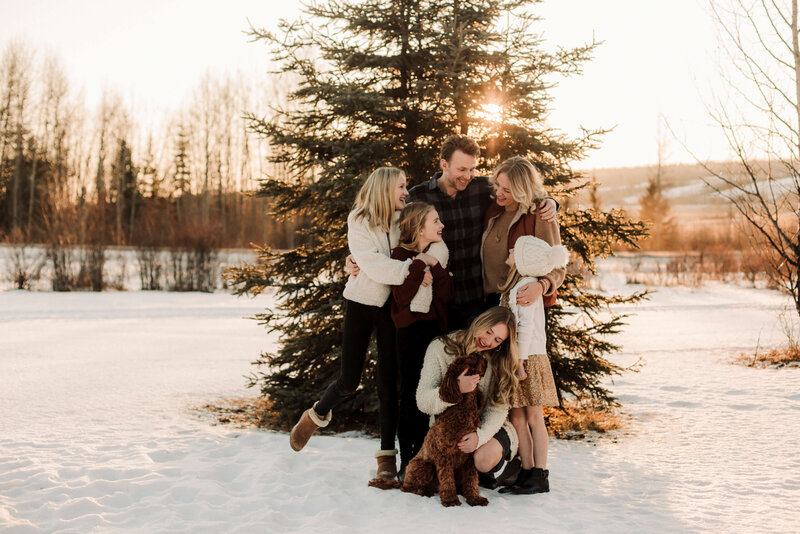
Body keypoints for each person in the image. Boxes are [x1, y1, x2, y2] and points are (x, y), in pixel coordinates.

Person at [289, 167, 434, 482]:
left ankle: (386, 458)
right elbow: (373, 263)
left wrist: (418, 263)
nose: (406, 192)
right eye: (401, 186)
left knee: (388, 382)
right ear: (384, 189)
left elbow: (419, 244)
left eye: (407, 186)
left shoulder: (403, 219)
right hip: (360, 303)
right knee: (349, 379)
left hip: (390, 308)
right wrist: (410, 271)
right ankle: (316, 414)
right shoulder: (359, 220)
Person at [349, 135, 559, 331]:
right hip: (437, 299)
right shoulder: (418, 197)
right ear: (444, 165)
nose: (467, 176)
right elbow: (387, 227)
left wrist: (550, 202)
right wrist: (354, 256)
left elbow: (519, 188)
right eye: (461, 169)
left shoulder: (483, 190)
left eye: (472, 169)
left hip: (478, 301)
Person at [497, 236, 569, 495]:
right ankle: (526, 471)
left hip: (528, 358)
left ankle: (539, 473)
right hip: (517, 357)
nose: (510, 249)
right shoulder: (514, 285)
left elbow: (525, 328)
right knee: (517, 417)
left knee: (533, 417)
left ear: (526, 260)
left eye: (516, 249)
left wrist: (520, 362)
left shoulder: (526, 286)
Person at [415, 306, 520, 483]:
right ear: (480, 322)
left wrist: (479, 437)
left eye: (497, 339)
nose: (488, 342)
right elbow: (423, 401)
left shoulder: (498, 359)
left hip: (489, 428)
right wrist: (454, 389)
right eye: (488, 332)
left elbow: (498, 410)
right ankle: (484, 475)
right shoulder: (440, 348)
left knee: (482, 460)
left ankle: (509, 470)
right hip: (449, 431)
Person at [389, 201, 454, 479]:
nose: (441, 225)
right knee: (410, 397)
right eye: (436, 221)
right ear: (419, 227)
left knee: (430, 395)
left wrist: (433, 265)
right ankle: (407, 462)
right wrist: (417, 267)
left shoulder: (433, 254)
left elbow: (447, 293)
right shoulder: (399, 255)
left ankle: (428, 458)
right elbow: (401, 298)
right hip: (409, 335)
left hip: (433, 336)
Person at [481, 155, 566, 311]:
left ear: (522, 190)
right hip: (491, 302)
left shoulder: (540, 214)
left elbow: (557, 264)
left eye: (507, 190)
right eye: (497, 185)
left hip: (524, 303)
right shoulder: (493, 209)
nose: (498, 192)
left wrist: (541, 286)